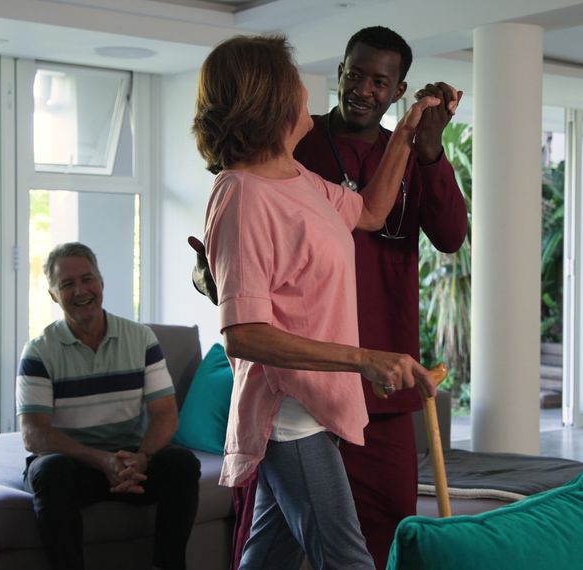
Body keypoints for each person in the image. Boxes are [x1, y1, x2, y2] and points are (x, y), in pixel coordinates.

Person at [190, 26, 467, 570]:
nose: (309, 94)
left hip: (322, 405)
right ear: (267, 101)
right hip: (292, 414)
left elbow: (369, 212)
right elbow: (243, 333)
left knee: (269, 556)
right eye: (297, 83)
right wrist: (362, 358)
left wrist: (410, 129)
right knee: (348, 558)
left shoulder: (293, 176)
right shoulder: (242, 192)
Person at [16, 242, 201, 570]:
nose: (80, 290)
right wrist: (101, 461)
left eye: (87, 279)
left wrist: (141, 458)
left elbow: (165, 414)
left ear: (101, 282)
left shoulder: (140, 339)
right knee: (49, 471)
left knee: (182, 464)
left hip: (130, 460)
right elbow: (34, 434)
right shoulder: (39, 351)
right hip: (75, 465)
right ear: (53, 295)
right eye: (67, 284)